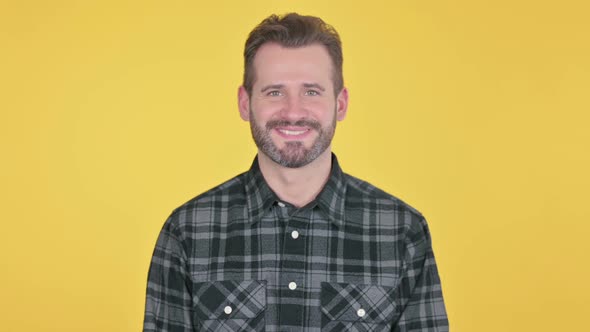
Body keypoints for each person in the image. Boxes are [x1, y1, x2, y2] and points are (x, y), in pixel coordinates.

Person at [143, 13, 449, 331]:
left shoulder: (402, 232)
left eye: (311, 92)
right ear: (245, 103)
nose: (293, 111)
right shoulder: (188, 231)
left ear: (340, 104)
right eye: (274, 92)